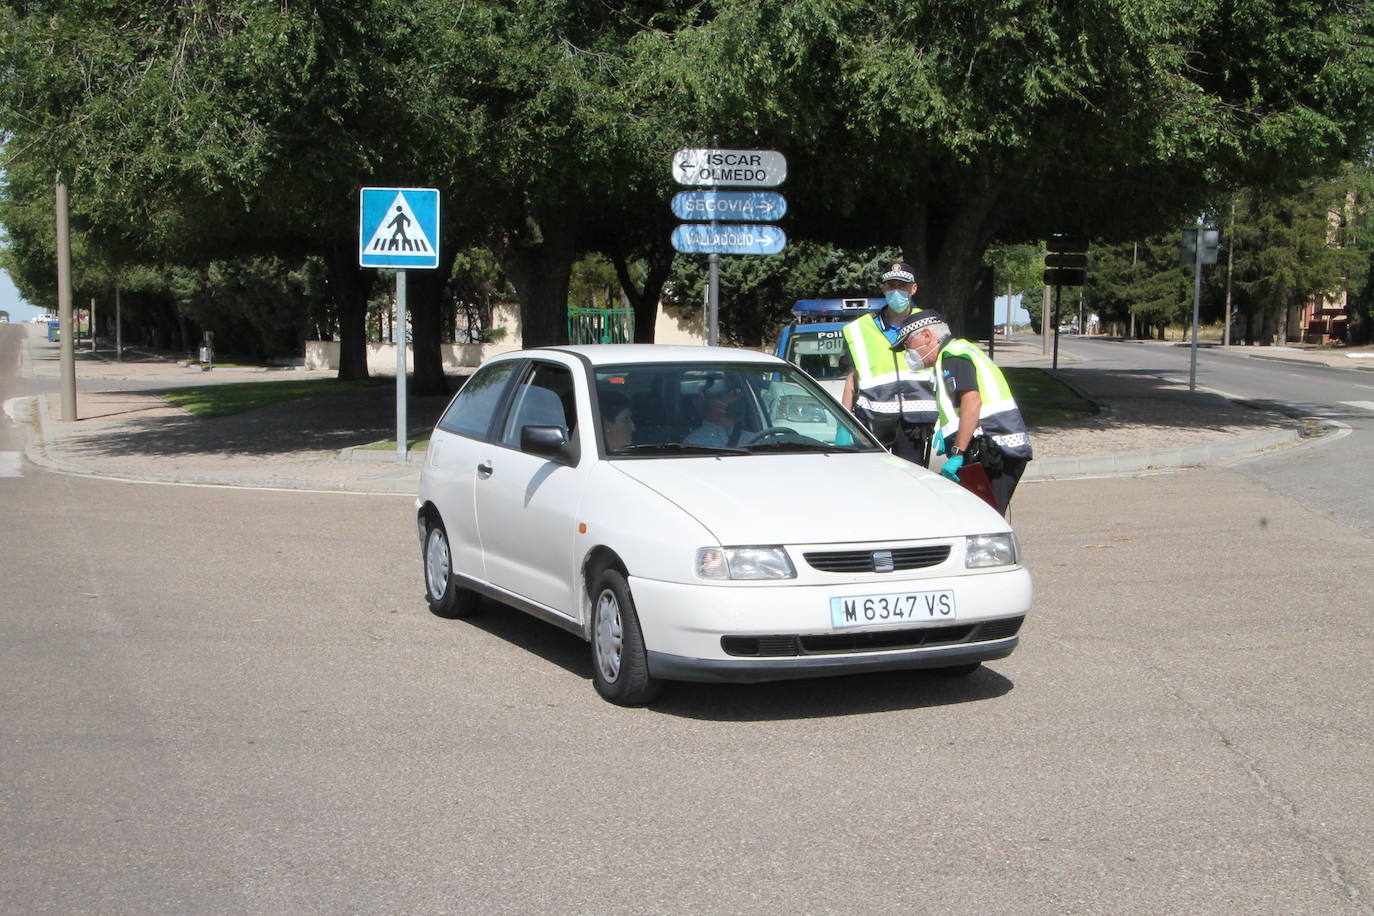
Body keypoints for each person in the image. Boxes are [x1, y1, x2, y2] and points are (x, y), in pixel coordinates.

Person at [893, 309, 1033, 516]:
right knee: (984, 516)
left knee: (984, 519)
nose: (908, 352)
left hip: (993, 449)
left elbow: (971, 401)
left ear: (927, 336)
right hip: (1001, 447)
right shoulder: (960, 351)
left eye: (907, 345)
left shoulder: (953, 355)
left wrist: (958, 452)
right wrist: (949, 430)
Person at [841, 261, 938, 464]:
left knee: (910, 484)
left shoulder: (929, 326)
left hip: (914, 424)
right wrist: (844, 422)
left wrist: (949, 421)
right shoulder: (860, 329)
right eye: (891, 285)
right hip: (872, 420)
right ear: (884, 288)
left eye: (902, 286)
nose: (896, 291)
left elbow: (943, 372)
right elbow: (852, 378)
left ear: (913, 288)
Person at [684, 378, 754, 447]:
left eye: (739, 392)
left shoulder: (753, 440)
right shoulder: (694, 443)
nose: (740, 397)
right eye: (732, 392)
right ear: (713, 402)